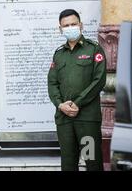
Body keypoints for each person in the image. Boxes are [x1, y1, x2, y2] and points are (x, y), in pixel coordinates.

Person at [47, 9, 107, 171]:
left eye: (73, 24)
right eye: (66, 25)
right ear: (60, 29)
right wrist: (60, 105)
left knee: (92, 161)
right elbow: (52, 84)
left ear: (81, 25)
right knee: (68, 163)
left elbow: (99, 80)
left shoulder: (93, 49)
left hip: (87, 119)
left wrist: (77, 103)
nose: (70, 27)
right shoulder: (59, 54)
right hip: (64, 119)